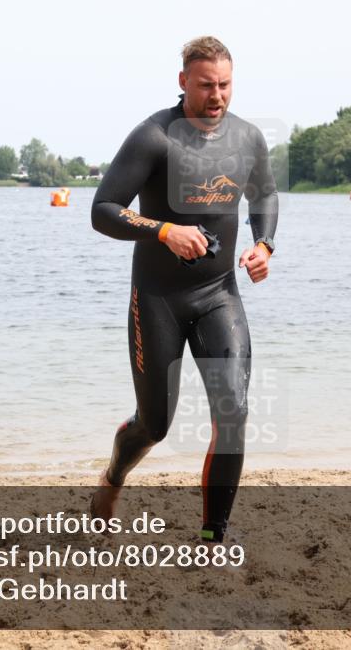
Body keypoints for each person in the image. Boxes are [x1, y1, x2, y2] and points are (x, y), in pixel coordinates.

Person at [89, 36, 279, 542]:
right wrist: (163, 230)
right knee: (154, 425)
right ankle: (112, 478)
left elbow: (264, 195)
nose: (217, 96)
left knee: (233, 412)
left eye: (225, 85)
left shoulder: (248, 139)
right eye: (205, 86)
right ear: (182, 82)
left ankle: (214, 533)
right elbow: (102, 210)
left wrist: (265, 245)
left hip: (219, 292)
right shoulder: (154, 137)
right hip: (158, 297)